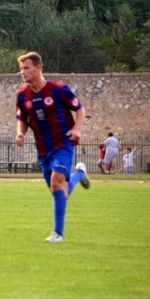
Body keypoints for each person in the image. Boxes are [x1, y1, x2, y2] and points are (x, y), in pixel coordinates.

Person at [15, 52, 91, 244]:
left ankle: (58, 234)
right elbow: (22, 119)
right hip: (43, 148)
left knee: (56, 182)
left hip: (62, 142)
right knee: (59, 189)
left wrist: (77, 129)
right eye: (21, 68)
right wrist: (20, 133)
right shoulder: (22, 95)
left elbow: (80, 110)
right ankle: (79, 174)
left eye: (26, 68)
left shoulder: (59, 89)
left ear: (38, 67)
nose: (22, 72)